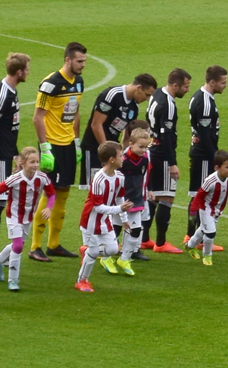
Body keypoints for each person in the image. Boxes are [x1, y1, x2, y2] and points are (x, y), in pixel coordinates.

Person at [29, 42, 87, 262]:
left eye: (84, 61)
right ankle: (35, 246)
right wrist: (45, 148)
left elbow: (76, 113)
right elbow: (37, 117)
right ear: (68, 60)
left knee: (63, 193)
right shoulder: (50, 84)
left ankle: (54, 244)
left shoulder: (79, 82)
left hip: (69, 145)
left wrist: (77, 141)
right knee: (50, 192)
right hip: (53, 145)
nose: (82, 65)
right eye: (79, 61)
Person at [0, 52, 31, 262]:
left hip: (4, 155)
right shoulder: (2, 94)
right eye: (27, 69)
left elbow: (7, 130)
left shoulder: (10, 91)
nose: (28, 72)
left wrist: (16, 154)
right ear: (19, 72)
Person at [0, 147, 56, 291]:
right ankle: (13, 280)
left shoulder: (42, 178)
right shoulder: (15, 178)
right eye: (32, 162)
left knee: (17, 245)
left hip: (28, 217)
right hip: (13, 216)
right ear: (23, 163)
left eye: (37, 162)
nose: (36, 165)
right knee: (18, 247)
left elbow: (51, 193)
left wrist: (49, 208)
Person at [79, 74, 157, 189]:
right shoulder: (112, 95)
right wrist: (107, 150)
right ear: (138, 88)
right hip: (94, 149)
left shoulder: (134, 107)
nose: (146, 99)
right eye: (147, 95)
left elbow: (126, 137)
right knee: (96, 191)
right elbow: (96, 124)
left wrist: (123, 156)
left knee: (111, 190)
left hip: (113, 153)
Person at [144, 68, 192, 253]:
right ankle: (161, 243)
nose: (187, 90)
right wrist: (172, 163)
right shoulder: (168, 105)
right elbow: (166, 137)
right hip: (161, 155)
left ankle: (144, 238)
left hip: (151, 149)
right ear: (175, 85)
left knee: (153, 197)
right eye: (185, 87)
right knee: (167, 197)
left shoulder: (156, 94)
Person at [76, 141, 133, 293]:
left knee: (113, 249)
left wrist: (124, 218)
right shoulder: (98, 180)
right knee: (94, 252)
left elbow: (120, 199)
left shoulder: (119, 177)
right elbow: (97, 207)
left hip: (105, 219)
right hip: (91, 219)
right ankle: (82, 281)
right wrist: (119, 209)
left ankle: (86, 251)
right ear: (112, 160)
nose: (123, 158)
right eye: (120, 156)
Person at [184, 65, 228, 252]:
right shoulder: (204, 102)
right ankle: (193, 235)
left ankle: (195, 235)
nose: (225, 86)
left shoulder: (201, 96)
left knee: (200, 195)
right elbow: (204, 134)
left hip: (202, 154)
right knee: (200, 196)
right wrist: (214, 159)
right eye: (222, 82)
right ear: (212, 82)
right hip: (203, 155)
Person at [105, 127, 152, 276]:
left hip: (136, 199)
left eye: (146, 147)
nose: (143, 150)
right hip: (122, 199)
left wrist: (146, 191)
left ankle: (124, 258)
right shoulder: (123, 160)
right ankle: (106, 257)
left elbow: (144, 177)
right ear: (130, 143)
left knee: (136, 230)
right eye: (140, 146)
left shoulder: (145, 159)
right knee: (116, 229)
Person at [185, 150, 228, 266]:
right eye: (227, 167)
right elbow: (198, 196)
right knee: (211, 233)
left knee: (203, 230)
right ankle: (207, 255)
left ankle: (189, 246)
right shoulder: (210, 181)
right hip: (206, 209)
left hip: (218, 210)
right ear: (217, 168)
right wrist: (193, 212)